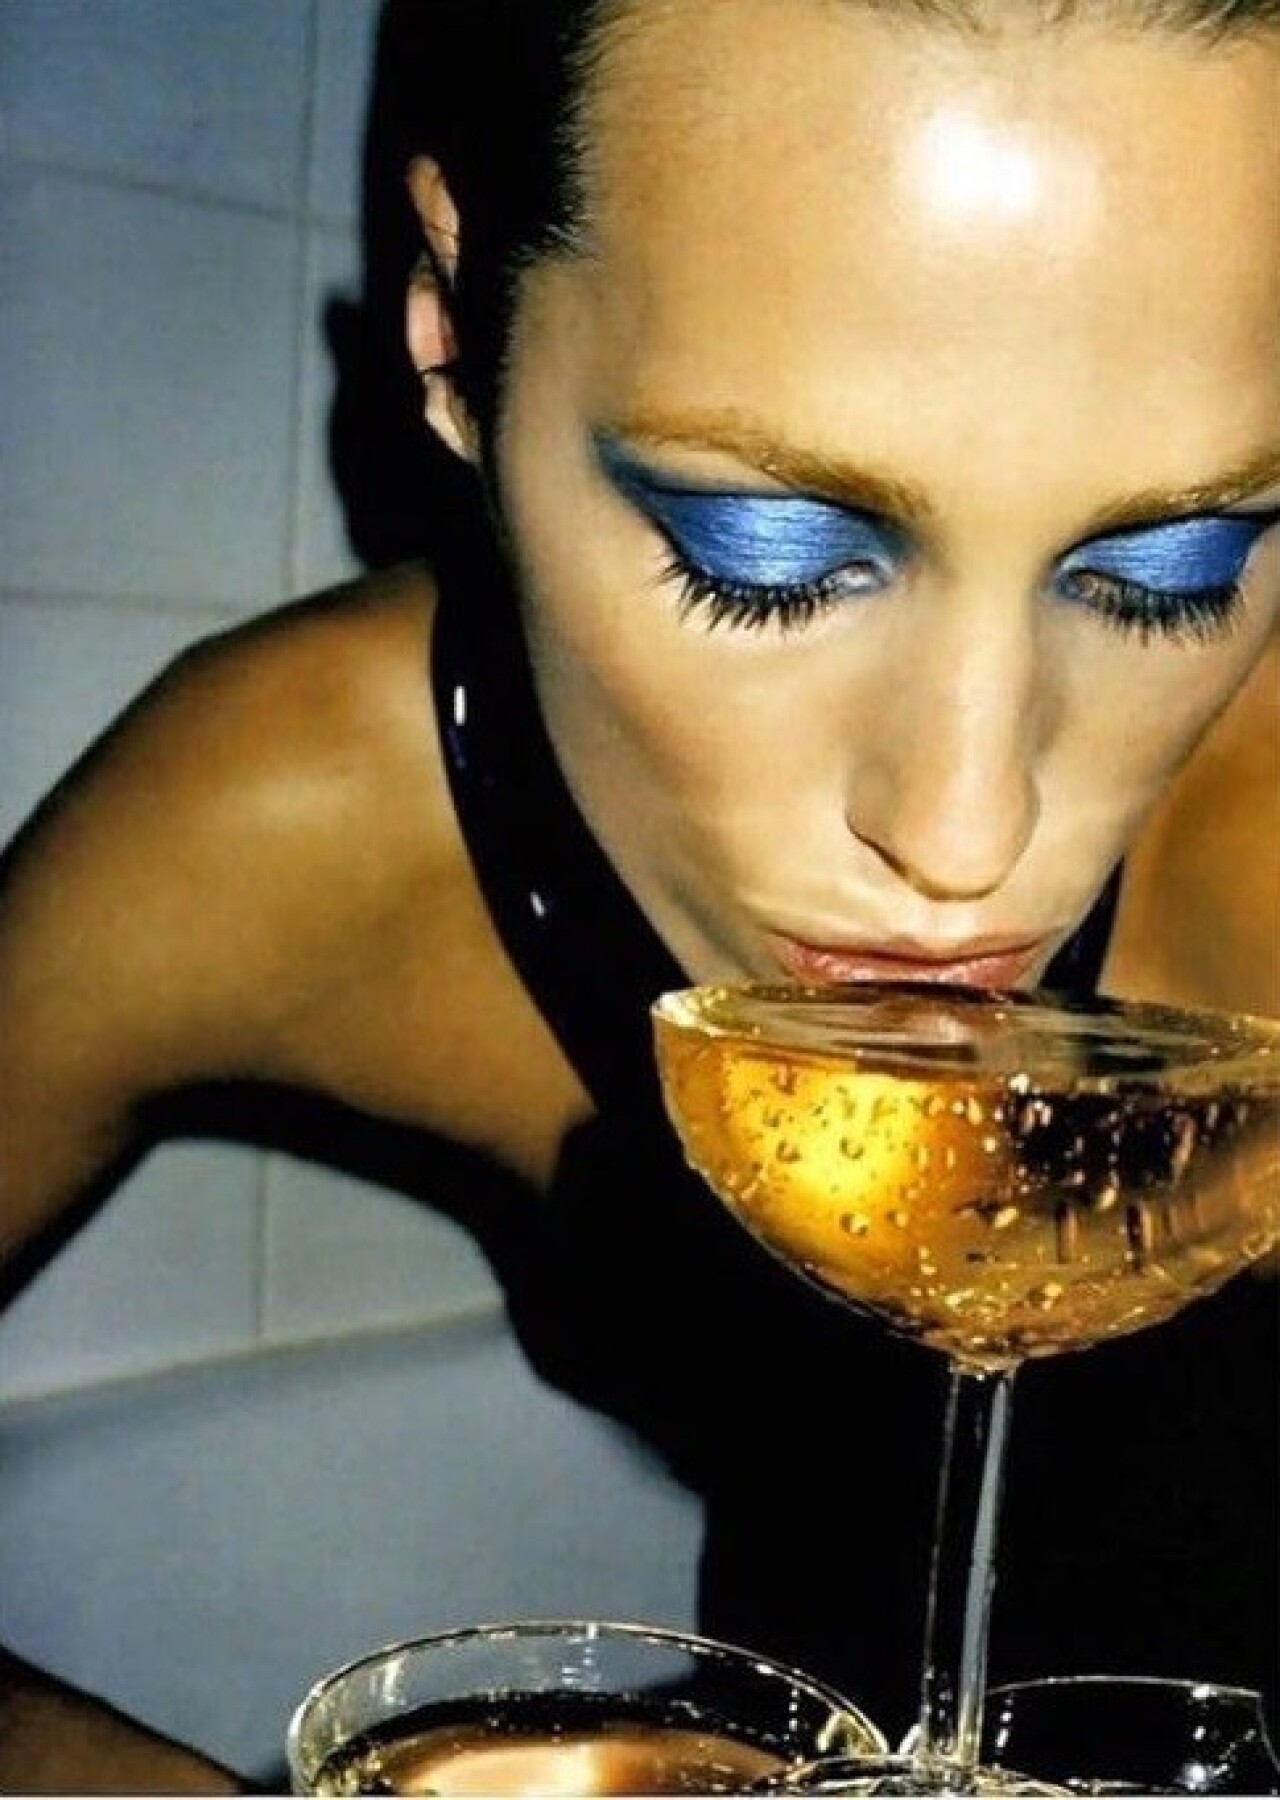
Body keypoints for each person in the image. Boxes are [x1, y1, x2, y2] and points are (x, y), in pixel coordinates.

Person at [2, 0, 1278, 1788]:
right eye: (766, 561)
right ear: (456, 332)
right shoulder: (301, 814)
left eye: (1172, 572)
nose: (969, 832)